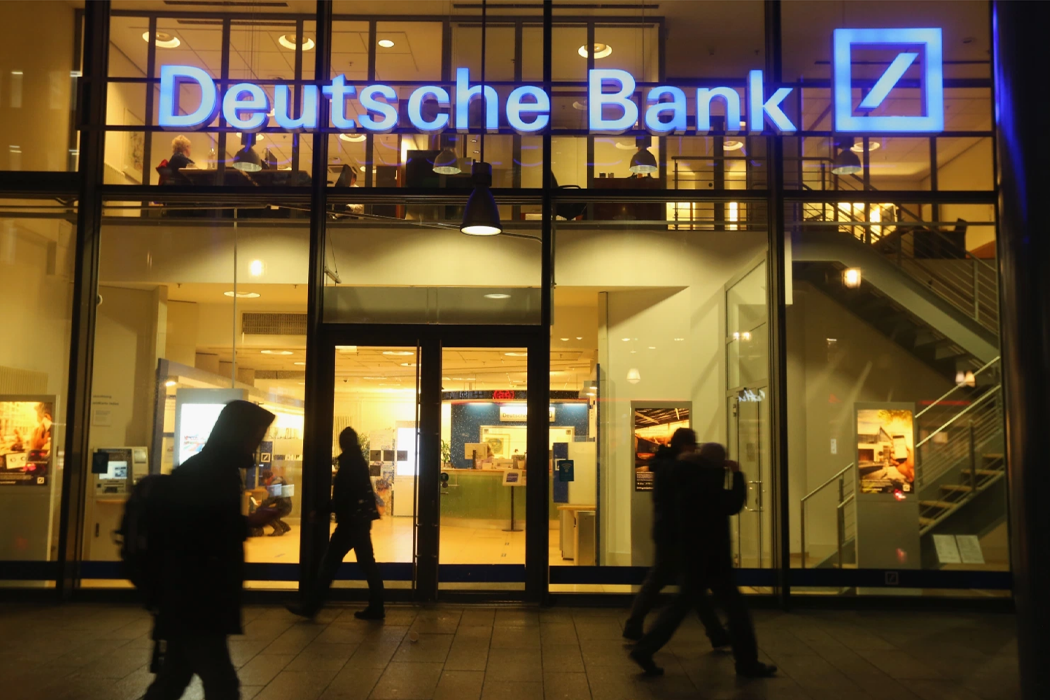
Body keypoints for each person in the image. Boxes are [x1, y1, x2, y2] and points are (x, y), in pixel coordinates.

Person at [145, 400, 279, 700]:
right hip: (197, 598)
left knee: (173, 678)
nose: (256, 445)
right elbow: (203, 531)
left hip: (192, 598)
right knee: (221, 683)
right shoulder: (211, 473)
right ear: (237, 434)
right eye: (254, 437)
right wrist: (248, 523)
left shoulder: (211, 469)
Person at [629, 442, 777, 679]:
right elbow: (732, 504)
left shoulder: (685, 476)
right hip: (713, 557)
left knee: (679, 607)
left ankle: (644, 649)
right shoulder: (705, 481)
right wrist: (737, 475)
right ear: (717, 462)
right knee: (737, 612)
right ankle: (747, 663)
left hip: (693, 554)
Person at [623, 428, 730, 649]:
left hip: (668, 530)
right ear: (685, 445)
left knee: (677, 584)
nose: (695, 449)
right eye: (693, 445)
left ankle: (634, 626)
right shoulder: (675, 467)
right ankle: (716, 633)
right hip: (676, 533)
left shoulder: (665, 465)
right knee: (687, 586)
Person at [288, 426, 384, 620]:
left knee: (330, 564)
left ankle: (311, 607)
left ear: (342, 443)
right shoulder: (358, 461)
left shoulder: (349, 463)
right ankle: (377, 606)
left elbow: (342, 496)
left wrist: (321, 511)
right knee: (367, 564)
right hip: (359, 521)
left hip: (350, 523)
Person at [260, 470, 292, 537]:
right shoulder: (278, 481)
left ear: (266, 478)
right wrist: (264, 502)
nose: (264, 483)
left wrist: (262, 504)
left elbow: (272, 498)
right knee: (273, 515)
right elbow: (275, 497)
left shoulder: (275, 483)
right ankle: (284, 527)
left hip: (283, 507)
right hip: (285, 506)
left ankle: (278, 529)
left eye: (263, 481)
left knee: (265, 515)